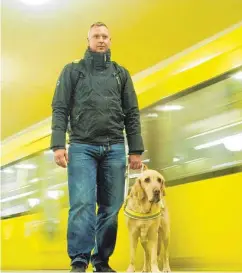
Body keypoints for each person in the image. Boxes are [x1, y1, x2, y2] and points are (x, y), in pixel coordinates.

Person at [50, 22, 144, 272]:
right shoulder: (72, 71)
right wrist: (58, 144)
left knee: (111, 208)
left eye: (105, 36)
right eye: (96, 36)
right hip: (81, 146)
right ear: (88, 40)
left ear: (110, 40)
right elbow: (60, 108)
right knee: (82, 203)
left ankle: (101, 260)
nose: (101, 40)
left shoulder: (121, 74)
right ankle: (79, 260)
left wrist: (135, 150)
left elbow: (131, 113)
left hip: (114, 147)